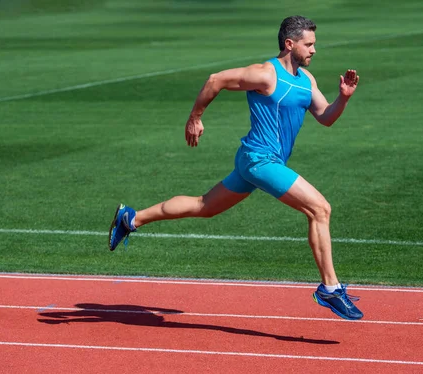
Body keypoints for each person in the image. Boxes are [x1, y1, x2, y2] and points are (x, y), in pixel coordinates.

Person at [109, 15, 363, 320]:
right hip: (259, 160)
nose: (314, 50)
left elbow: (326, 116)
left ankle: (130, 218)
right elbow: (216, 79)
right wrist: (195, 118)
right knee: (320, 209)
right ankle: (330, 288)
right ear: (289, 44)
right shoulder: (265, 75)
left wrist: (344, 99)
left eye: (314, 45)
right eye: (308, 44)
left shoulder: (306, 81)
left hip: (259, 163)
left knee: (204, 205)